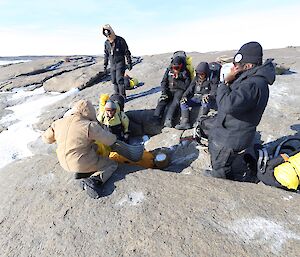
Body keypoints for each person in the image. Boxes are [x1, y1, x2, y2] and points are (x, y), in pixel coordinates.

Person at [208, 41, 276, 181]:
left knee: (220, 166)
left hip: (232, 136)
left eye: (237, 66)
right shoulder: (250, 78)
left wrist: (225, 83)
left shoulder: (252, 85)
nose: (235, 68)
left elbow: (227, 105)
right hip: (233, 130)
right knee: (224, 158)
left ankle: (222, 183)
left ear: (249, 66)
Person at [42, 100, 118, 199]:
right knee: (112, 164)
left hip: (63, 162)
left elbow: (46, 139)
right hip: (79, 162)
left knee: (94, 147)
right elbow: (110, 140)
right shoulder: (89, 126)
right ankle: (95, 180)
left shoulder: (58, 123)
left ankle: (82, 171)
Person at [153, 56, 191, 128]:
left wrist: (178, 79)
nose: (175, 69)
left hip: (179, 90)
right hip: (169, 90)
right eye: (174, 67)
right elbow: (164, 82)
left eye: (177, 68)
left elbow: (187, 86)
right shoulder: (169, 70)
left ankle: (169, 119)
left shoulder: (185, 72)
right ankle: (156, 118)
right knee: (162, 100)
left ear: (181, 66)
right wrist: (164, 92)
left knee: (175, 102)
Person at [175, 62, 212, 130]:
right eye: (199, 74)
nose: (200, 75)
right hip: (195, 98)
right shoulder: (196, 78)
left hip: (204, 98)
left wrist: (209, 95)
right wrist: (184, 96)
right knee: (183, 102)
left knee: (205, 103)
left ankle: (199, 122)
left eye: (202, 74)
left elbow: (214, 90)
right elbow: (190, 88)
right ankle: (185, 122)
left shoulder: (211, 79)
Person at [102, 24, 132, 99]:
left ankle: (122, 96)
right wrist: (105, 66)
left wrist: (129, 62)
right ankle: (116, 96)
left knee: (119, 80)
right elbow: (106, 54)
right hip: (112, 64)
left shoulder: (120, 40)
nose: (108, 36)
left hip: (120, 63)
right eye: (106, 35)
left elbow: (126, 51)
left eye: (109, 34)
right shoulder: (106, 43)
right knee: (114, 81)